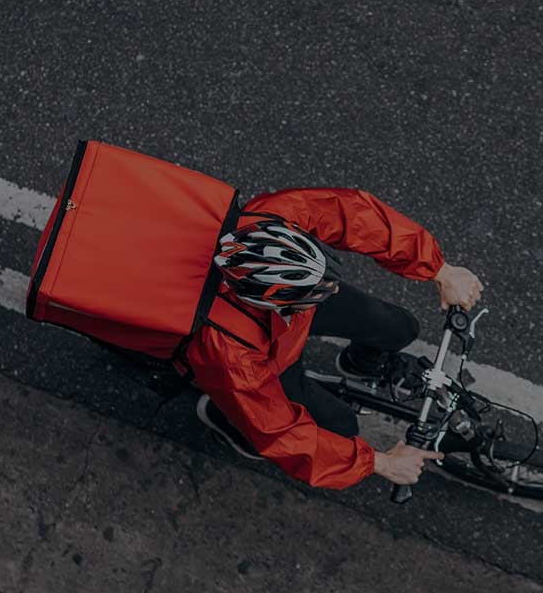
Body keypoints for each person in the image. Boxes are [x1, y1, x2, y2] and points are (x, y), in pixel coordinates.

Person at [185, 187, 483, 490]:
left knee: (400, 327)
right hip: (267, 361)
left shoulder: (273, 215)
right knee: (341, 427)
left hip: (289, 319)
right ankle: (225, 417)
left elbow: (349, 213)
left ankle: (360, 362)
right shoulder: (228, 351)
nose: (335, 290)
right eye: (318, 292)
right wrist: (379, 462)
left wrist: (439, 269)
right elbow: (280, 434)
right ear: (274, 304)